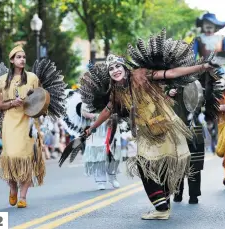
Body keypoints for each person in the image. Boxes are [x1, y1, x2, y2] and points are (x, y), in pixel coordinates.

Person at [82, 53, 213, 219]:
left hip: (165, 126)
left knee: (161, 165)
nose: (115, 71)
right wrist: (92, 128)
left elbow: (172, 73)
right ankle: (162, 206)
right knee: (145, 166)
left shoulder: (141, 75)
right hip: (145, 132)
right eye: (111, 69)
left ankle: (162, 207)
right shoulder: (116, 92)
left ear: (125, 67)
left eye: (117, 66)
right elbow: (108, 110)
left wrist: (201, 67)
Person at [0, 46, 45, 208]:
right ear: (11, 60)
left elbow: (41, 98)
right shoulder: (3, 80)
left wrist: (34, 103)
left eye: (23, 57)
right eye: (18, 57)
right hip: (10, 122)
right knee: (10, 157)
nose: (22, 59)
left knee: (27, 158)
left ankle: (23, 196)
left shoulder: (32, 78)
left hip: (28, 122)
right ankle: (12, 188)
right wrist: (12, 103)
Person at [194, 12, 225, 152]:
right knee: (191, 93)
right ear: (202, 26)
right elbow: (191, 56)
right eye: (206, 24)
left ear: (215, 26)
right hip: (202, 71)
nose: (208, 27)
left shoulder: (222, 38)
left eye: (211, 24)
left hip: (220, 71)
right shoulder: (198, 40)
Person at [167, 86, 205, 204]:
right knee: (177, 163)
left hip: (194, 130)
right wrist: (168, 92)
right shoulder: (171, 79)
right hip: (176, 128)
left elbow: (207, 100)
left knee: (194, 164)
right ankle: (177, 193)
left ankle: (194, 195)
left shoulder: (197, 82)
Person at [82, 103, 121, 190]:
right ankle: (100, 180)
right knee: (98, 156)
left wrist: (113, 117)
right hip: (95, 129)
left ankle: (112, 176)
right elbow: (83, 112)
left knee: (113, 154)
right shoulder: (88, 96)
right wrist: (96, 116)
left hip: (111, 126)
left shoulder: (112, 92)